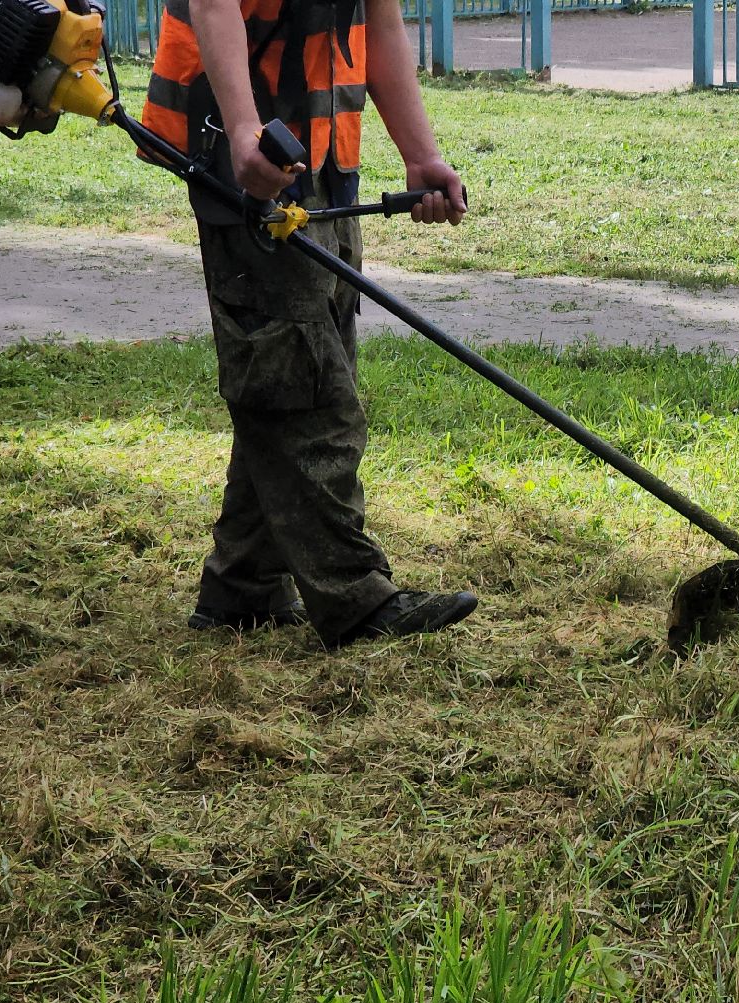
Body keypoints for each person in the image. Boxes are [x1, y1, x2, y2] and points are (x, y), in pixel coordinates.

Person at [140, 0, 477, 647]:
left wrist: (420, 154)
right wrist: (242, 133)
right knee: (305, 379)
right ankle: (357, 600)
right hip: (241, 153)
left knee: (301, 365)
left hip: (323, 156)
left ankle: (245, 587)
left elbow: (377, 18)